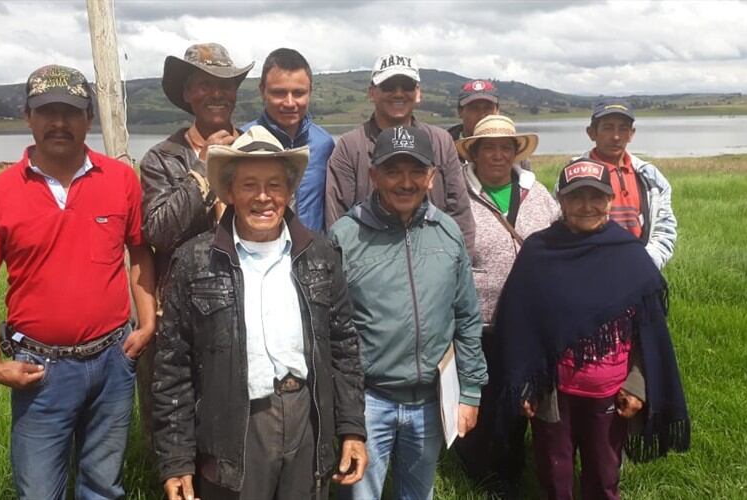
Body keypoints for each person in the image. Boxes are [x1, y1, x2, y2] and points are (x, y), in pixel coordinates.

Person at [0, 64, 157, 499]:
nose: (59, 123)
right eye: (47, 111)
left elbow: (140, 251)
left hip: (114, 360)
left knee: (103, 486)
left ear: (89, 118)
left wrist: (147, 323)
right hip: (40, 369)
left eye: (71, 112)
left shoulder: (121, 179)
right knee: (39, 491)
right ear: (28, 116)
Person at [151, 126, 368, 500]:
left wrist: (351, 428)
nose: (263, 197)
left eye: (274, 185)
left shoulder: (320, 254)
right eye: (249, 185)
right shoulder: (195, 260)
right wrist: (176, 460)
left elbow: (344, 347)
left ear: (289, 191)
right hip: (234, 426)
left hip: (307, 418)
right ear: (230, 192)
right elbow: (173, 367)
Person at [496, 158, 690, 500]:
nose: (586, 206)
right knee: (554, 474)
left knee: (604, 475)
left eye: (596, 196)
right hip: (553, 393)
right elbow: (519, 324)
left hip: (609, 392)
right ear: (561, 200)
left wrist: (636, 385)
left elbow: (648, 332)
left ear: (610, 200)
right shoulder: (539, 252)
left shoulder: (629, 254)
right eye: (576, 197)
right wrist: (525, 384)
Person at [329, 125, 487, 500]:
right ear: (374, 175)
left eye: (416, 171)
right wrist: (344, 412)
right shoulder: (344, 237)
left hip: (431, 401)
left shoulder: (447, 232)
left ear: (431, 176)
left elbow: (467, 317)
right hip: (368, 402)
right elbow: (329, 332)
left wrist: (470, 392)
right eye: (393, 171)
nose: (405, 182)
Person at [137, 42, 253, 441]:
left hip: (246, 308)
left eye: (226, 84)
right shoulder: (161, 159)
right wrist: (206, 167)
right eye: (205, 84)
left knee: (241, 426)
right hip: (180, 316)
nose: (217, 93)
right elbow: (159, 230)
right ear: (187, 93)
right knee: (175, 426)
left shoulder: (259, 148)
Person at [453, 114, 559, 498]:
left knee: (518, 397)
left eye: (505, 147)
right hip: (480, 321)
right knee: (481, 396)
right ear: (474, 153)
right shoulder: (457, 196)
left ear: (516, 152)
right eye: (489, 148)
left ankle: (513, 468)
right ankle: (477, 472)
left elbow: (561, 237)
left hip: (530, 322)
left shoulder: (538, 193)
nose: (498, 155)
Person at [324, 53, 476, 256]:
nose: (398, 93)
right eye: (388, 86)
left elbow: (461, 215)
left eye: (407, 86)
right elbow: (337, 219)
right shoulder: (349, 147)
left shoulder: (442, 141)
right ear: (372, 93)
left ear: (418, 92)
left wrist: (458, 265)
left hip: (436, 263)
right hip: (369, 264)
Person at [569, 99, 677, 269]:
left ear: (631, 134)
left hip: (640, 267)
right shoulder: (574, 175)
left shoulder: (651, 177)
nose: (616, 137)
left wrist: (645, 264)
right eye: (608, 128)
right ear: (591, 133)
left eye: (623, 128)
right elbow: (563, 224)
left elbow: (664, 229)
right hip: (590, 268)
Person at [243, 48, 334, 232]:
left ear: (310, 91)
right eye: (279, 93)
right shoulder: (243, 141)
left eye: (299, 93)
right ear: (262, 91)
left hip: (312, 247)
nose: (290, 103)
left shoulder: (324, 145)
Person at [448, 80, 532, 172]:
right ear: (460, 112)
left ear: (498, 111)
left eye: (488, 108)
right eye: (474, 108)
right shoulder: (443, 149)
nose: (481, 115)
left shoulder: (516, 153)